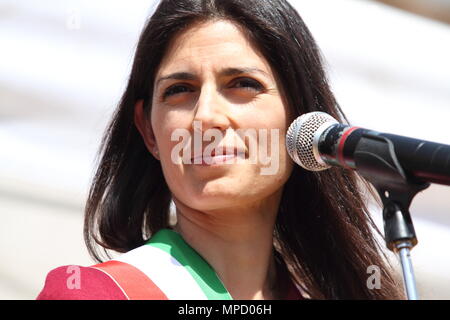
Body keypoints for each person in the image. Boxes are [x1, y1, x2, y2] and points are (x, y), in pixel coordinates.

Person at [37, 0, 404, 300]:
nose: (206, 117)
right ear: (149, 131)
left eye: (243, 84)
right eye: (179, 90)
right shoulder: (96, 294)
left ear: (302, 120)